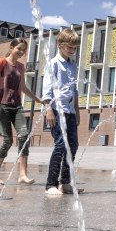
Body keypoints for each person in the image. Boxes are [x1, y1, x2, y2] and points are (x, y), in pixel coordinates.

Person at [42, 29, 82, 196]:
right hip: (56, 110)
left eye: (74, 48)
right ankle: (50, 184)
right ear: (60, 45)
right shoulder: (53, 63)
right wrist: (48, 109)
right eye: (69, 47)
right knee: (60, 145)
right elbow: (47, 89)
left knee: (73, 145)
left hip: (70, 111)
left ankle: (65, 183)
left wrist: (77, 110)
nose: (72, 50)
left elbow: (74, 90)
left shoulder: (73, 65)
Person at [0, 38, 43, 186]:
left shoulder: (21, 67)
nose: (21, 51)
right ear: (11, 47)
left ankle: (22, 174)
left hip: (17, 106)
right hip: (2, 106)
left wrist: (37, 99)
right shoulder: (2, 63)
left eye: (23, 49)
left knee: (24, 136)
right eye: (19, 48)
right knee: (7, 141)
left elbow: (22, 87)